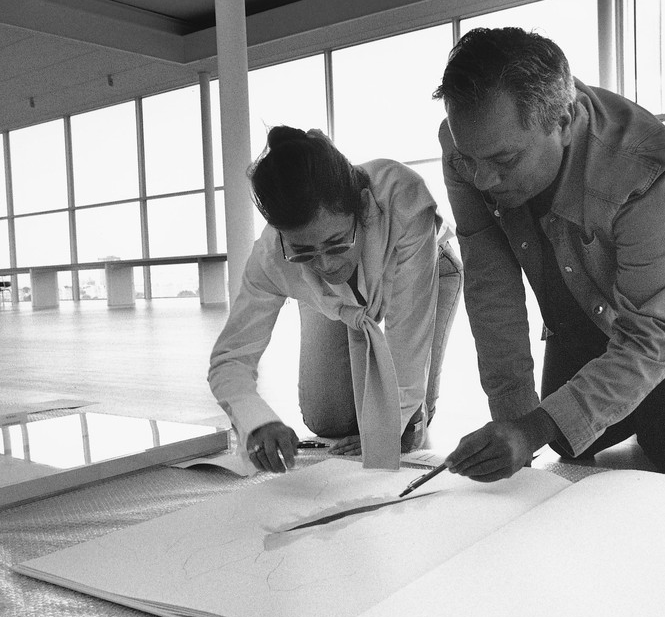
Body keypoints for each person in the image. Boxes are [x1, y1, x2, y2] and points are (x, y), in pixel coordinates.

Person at [433, 26, 665, 482]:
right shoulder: (468, 147)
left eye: (504, 162)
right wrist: (514, 426)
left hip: (654, 321)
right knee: (562, 439)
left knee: (658, 442)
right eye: (470, 161)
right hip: (580, 314)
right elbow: (490, 290)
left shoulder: (642, 169)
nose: (482, 181)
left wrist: (532, 427)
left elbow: (650, 335)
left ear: (562, 123)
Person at [208, 126, 462, 473]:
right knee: (325, 418)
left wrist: (391, 424)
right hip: (334, 300)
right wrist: (255, 420)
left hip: (429, 265)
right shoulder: (271, 257)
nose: (326, 264)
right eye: (304, 251)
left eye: (337, 242)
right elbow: (230, 359)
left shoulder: (402, 199)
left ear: (362, 209)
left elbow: (406, 343)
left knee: (405, 432)